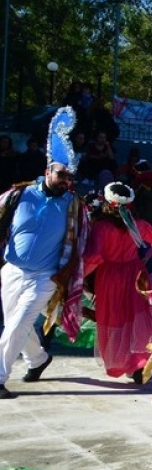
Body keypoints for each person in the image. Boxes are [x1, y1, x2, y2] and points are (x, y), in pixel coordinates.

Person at [0, 107, 88, 400]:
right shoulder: (18, 194)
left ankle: (0, 378)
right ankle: (38, 359)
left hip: (46, 275)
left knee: (18, 323)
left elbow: (84, 240)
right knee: (16, 321)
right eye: (61, 174)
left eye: (69, 176)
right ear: (48, 171)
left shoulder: (74, 205)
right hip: (11, 269)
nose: (65, 180)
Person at [82, 182, 152, 383]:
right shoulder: (137, 224)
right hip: (135, 275)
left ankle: (124, 362)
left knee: (115, 319)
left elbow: (94, 257)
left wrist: (78, 276)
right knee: (136, 318)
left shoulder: (101, 227)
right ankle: (138, 363)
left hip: (110, 278)